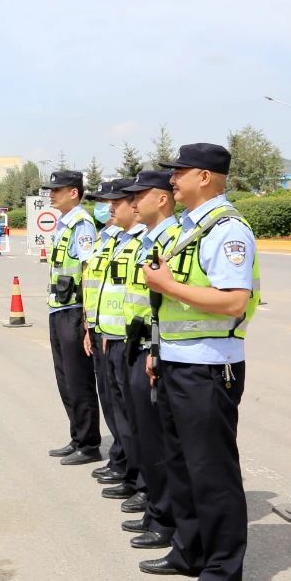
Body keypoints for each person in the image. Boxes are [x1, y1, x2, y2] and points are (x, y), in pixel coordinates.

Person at [138, 143, 258, 581]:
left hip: (210, 367)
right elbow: (169, 303)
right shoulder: (189, 228)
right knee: (180, 466)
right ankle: (188, 550)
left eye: (180, 172)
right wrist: (158, 350)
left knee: (212, 472)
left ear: (204, 177)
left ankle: (223, 572)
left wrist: (167, 284)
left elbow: (232, 301)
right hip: (176, 361)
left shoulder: (228, 231)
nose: (173, 179)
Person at [120, 169, 180, 550]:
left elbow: (166, 301)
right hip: (138, 344)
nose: (133, 202)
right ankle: (157, 511)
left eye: (141, 195)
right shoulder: (149, 239)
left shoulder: (172, 239)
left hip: (155, 348)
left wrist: (154, 349)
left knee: (161, 445)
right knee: (146, 436)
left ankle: (165, 518)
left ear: (161, 199)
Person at [89, 179, 146, 507]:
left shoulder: (144, 240)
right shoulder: (115, 238)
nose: (109, 208)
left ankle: (138, 479)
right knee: (117, 409)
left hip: (130, 338)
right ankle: (128, 471)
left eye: (117, 201)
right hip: (107, 332)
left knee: (134, 416)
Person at [43, 170, 101, 465]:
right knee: (65, 379)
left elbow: (89, 271)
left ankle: (89, 444)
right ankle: (77, 437)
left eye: (57, 189)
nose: (51, 194)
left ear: (74, 193)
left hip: (75, 311)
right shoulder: (65, 225)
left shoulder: (82, 225)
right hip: (59, 309)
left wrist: (88, 320)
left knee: (79, 380)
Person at [80, 181, 127, 486]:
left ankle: (128, 467)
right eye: (102, 202)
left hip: (120, 334)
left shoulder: (129, 240)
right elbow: (93, 283)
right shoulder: (104, 238)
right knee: (109, 402)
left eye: (112, 201)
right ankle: (120, 461)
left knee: (125, 409)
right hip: (100, 328)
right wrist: (89, 325)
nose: (107, 207)